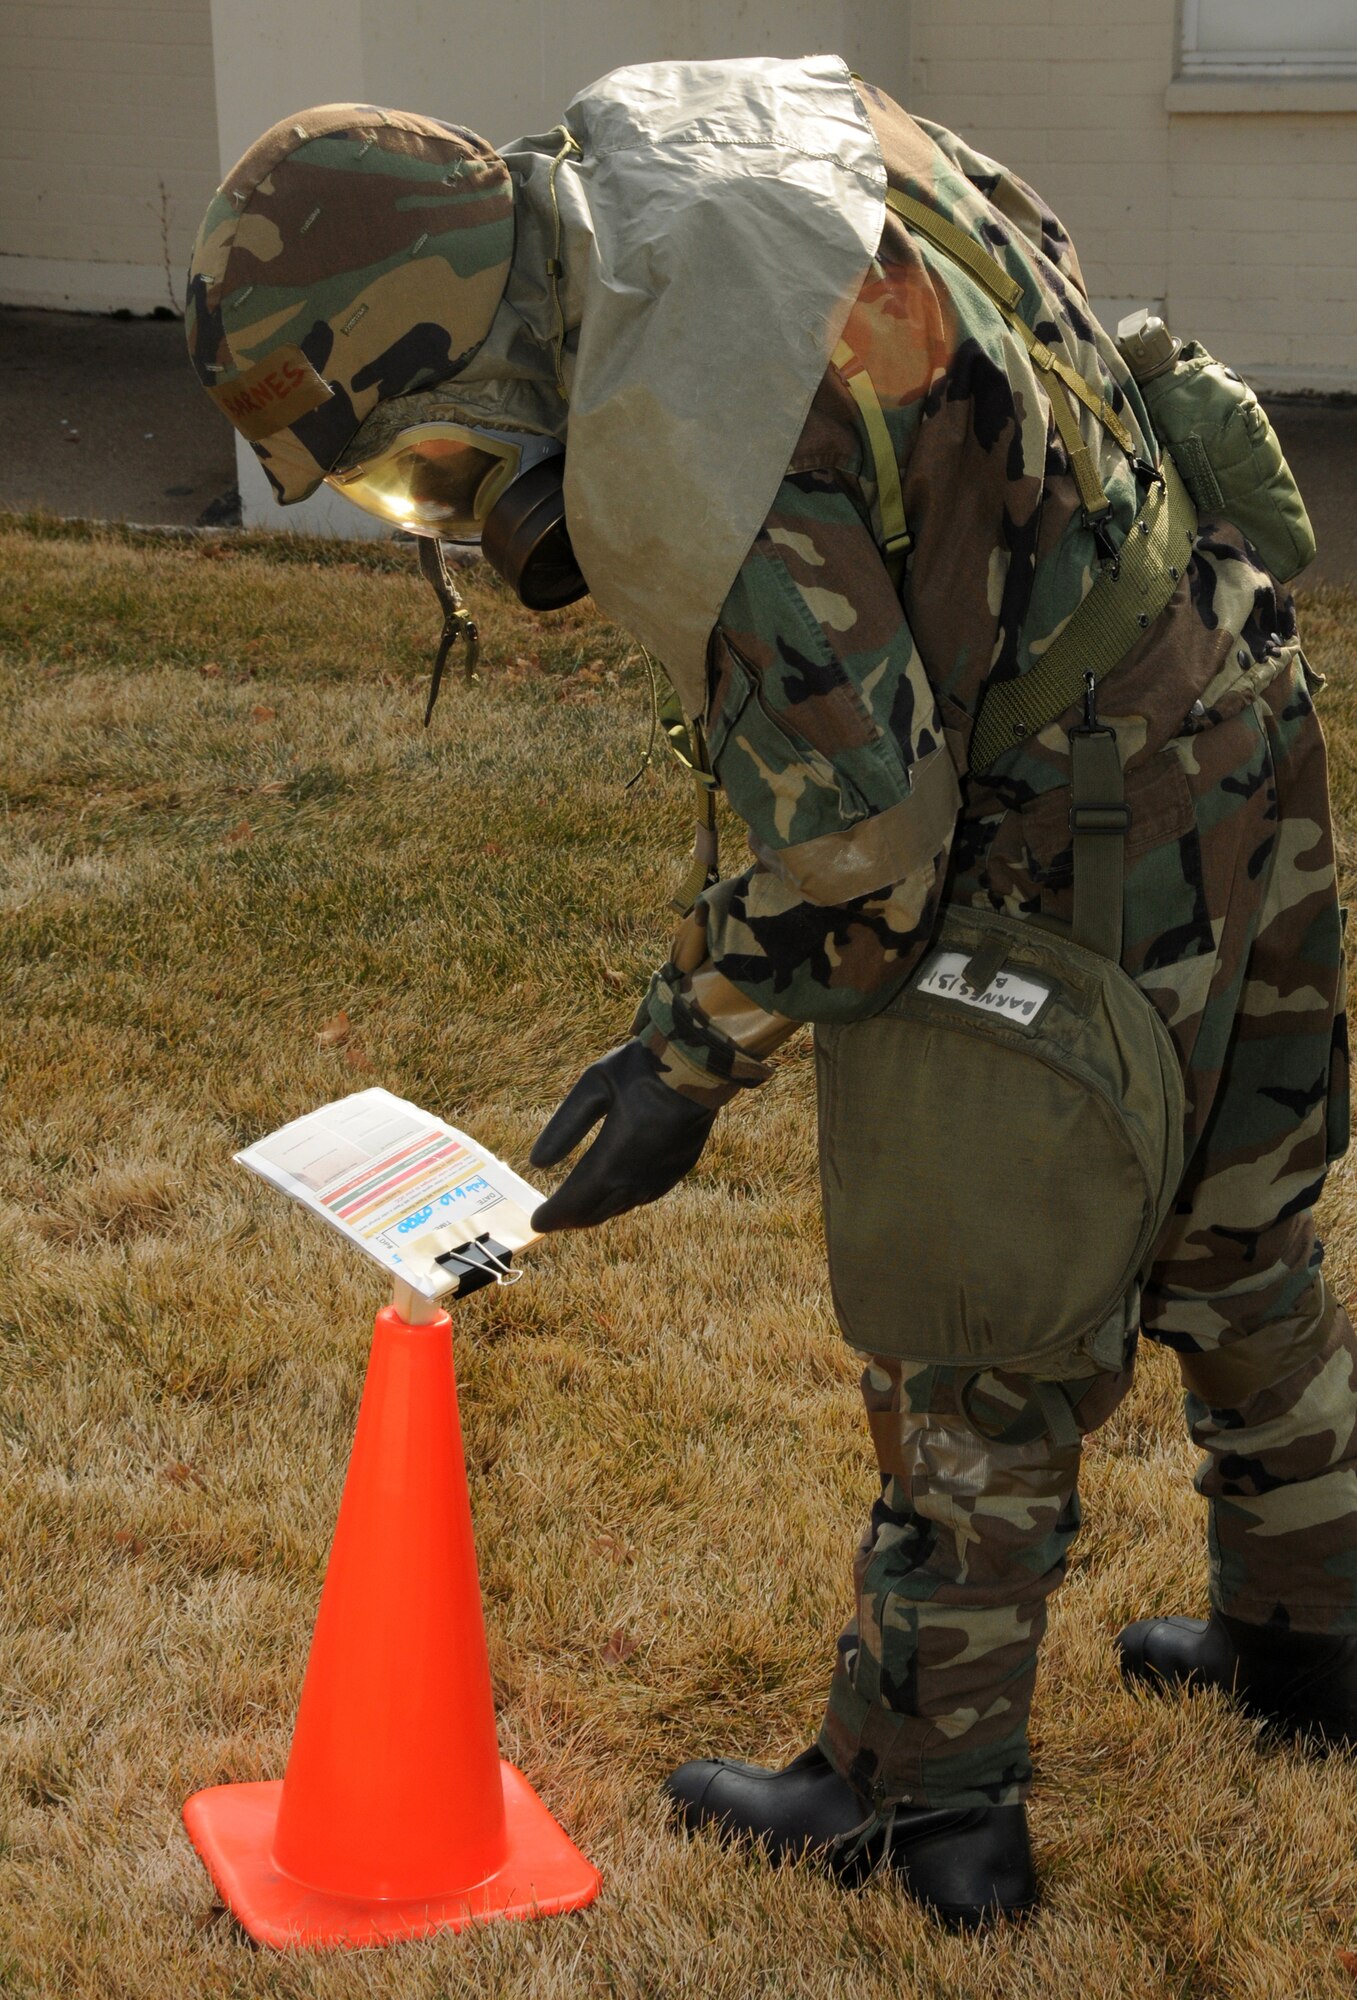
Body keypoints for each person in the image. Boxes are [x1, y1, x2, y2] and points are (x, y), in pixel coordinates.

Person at [185, 55, 1353, 1931]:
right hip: (1227, 696)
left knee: (970, 1329)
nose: (462, 499)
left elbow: (859, 865)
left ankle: (921, 1804)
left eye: (429, 458)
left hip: (1066, 829)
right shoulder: (699, 129)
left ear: (459, 354)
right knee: (1240, 1234)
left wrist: (679, 1062)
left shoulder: (689, 429)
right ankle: (1314, 1642)